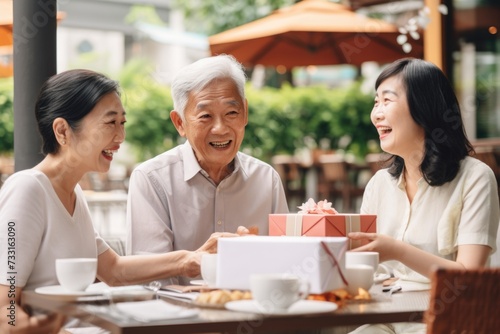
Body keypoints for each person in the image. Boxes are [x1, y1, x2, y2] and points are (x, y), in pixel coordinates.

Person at [0, 69, 238, 334]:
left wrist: (190, 260)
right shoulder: (28, 189)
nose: (120, 137)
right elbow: (4, 311)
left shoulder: (73, 194)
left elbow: (113, 270)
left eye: (122, 123)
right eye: (110, 123)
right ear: (62, 130)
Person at [348, 58, 499, 333]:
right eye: (375, 102)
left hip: (447, 320)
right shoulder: (379, 184)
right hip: (387, 314)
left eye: (387, 101)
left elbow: (470, 279)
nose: (377, 114)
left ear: (424, 107)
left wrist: (397, 251)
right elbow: (369, 272)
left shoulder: (475, 177)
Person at [126, 54, 289, 285]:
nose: (220, 129)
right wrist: (194, 262)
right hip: (181, 318)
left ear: (245, 113)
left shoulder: (266, 179)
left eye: (232, 113)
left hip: (255, 312)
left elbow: (284, 264)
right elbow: (150, 282)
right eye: (205, 116)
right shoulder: (152, 180)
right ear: (180, 123)